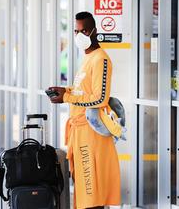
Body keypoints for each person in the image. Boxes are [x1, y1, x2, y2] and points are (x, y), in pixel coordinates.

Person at [48, 11, 121, 209]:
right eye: (76, 30)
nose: (80, 35)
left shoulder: (101, 59)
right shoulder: (87, 59)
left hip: (92, 132)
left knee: (92, 192)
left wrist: (68, 97)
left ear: (95, 31)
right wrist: (65, 91)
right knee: (82, 188)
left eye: (85, 30)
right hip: (79, 133)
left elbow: (100, 98)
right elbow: (84, 91)